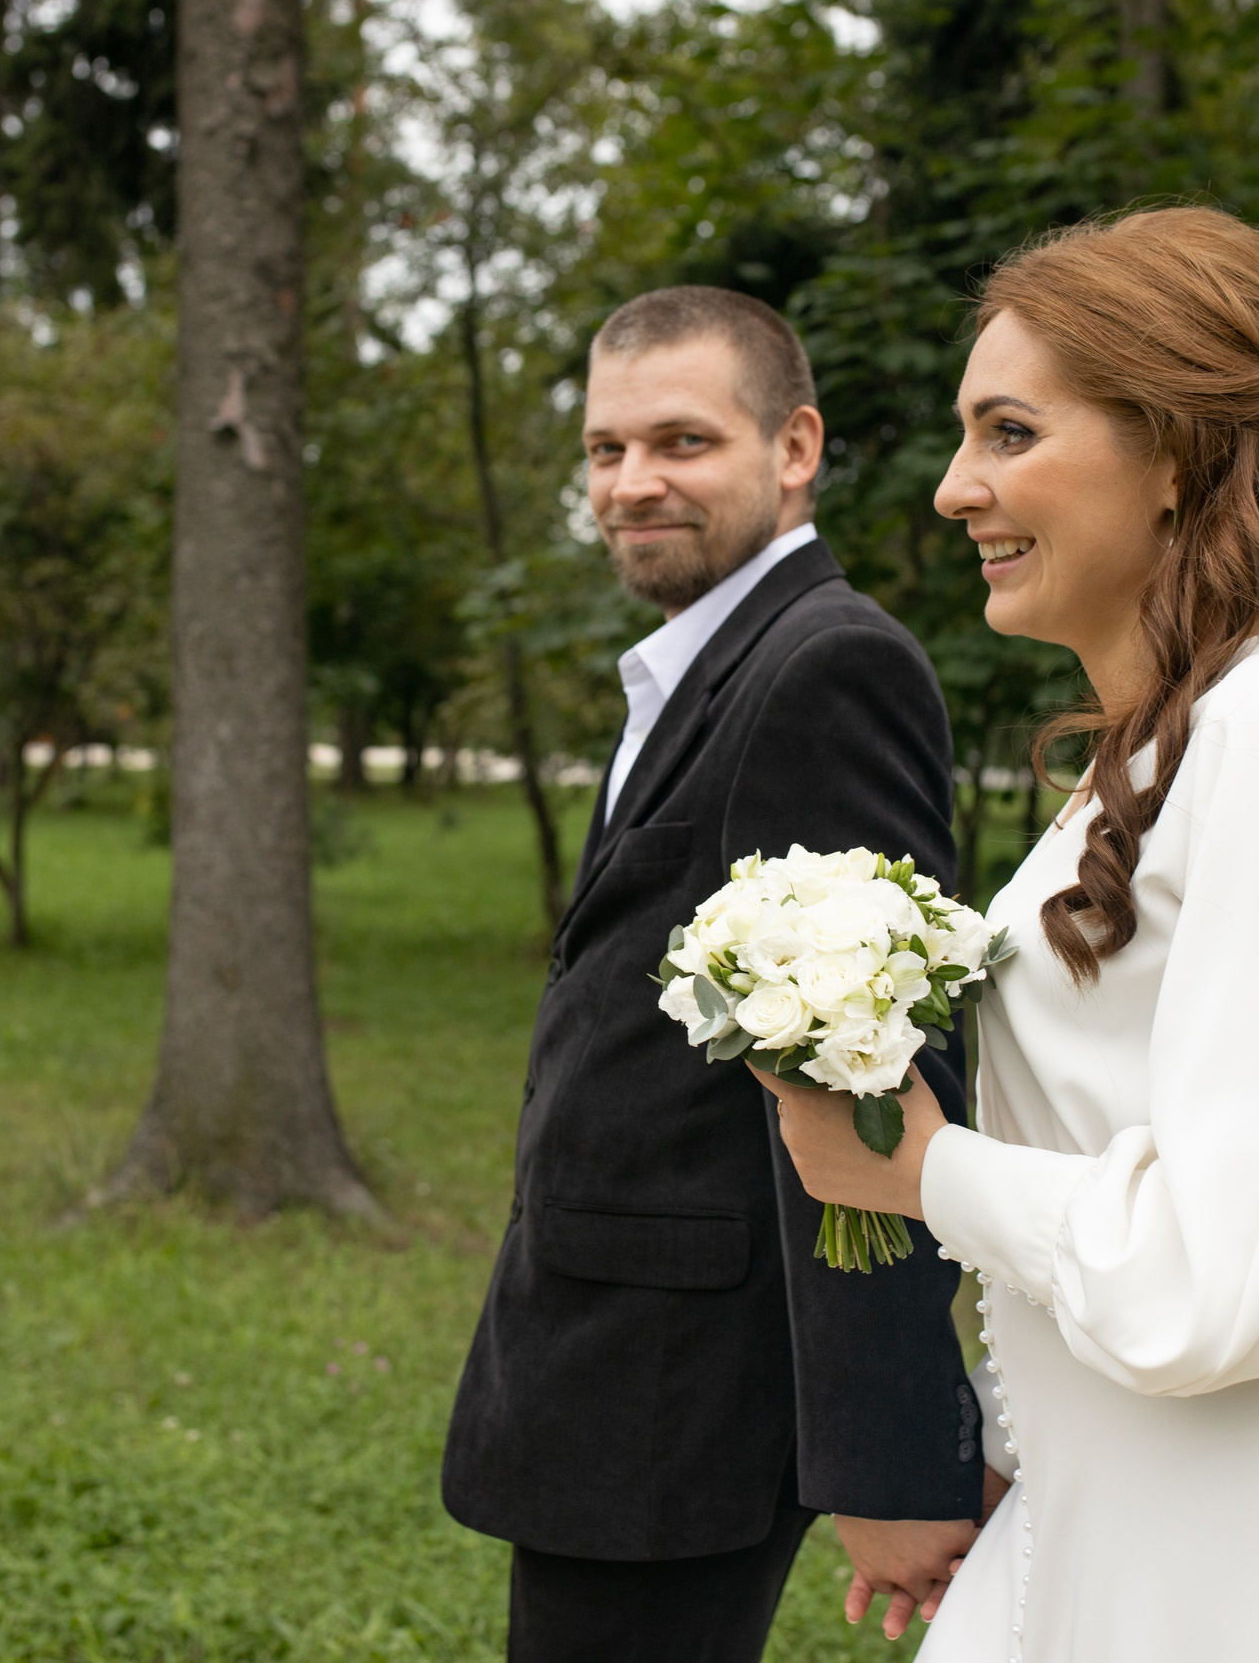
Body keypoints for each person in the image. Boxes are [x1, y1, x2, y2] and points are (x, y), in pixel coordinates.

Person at [761, 207, 1259, 1662]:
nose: (951, 490)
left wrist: (933, 1172)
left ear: (1174, 451)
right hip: (1114, 1492)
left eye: (1007, 434)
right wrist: (1016, 1430)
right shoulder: (1163, 750)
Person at [441, 285, 1004, 1663]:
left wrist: (884, 1459)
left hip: (680, 1391)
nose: (633, 484)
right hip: (613, 1351)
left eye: (682, 443)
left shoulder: (826, 667)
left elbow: (874, 1069)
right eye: (604, 450)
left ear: (794, 447)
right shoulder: (701, 664)